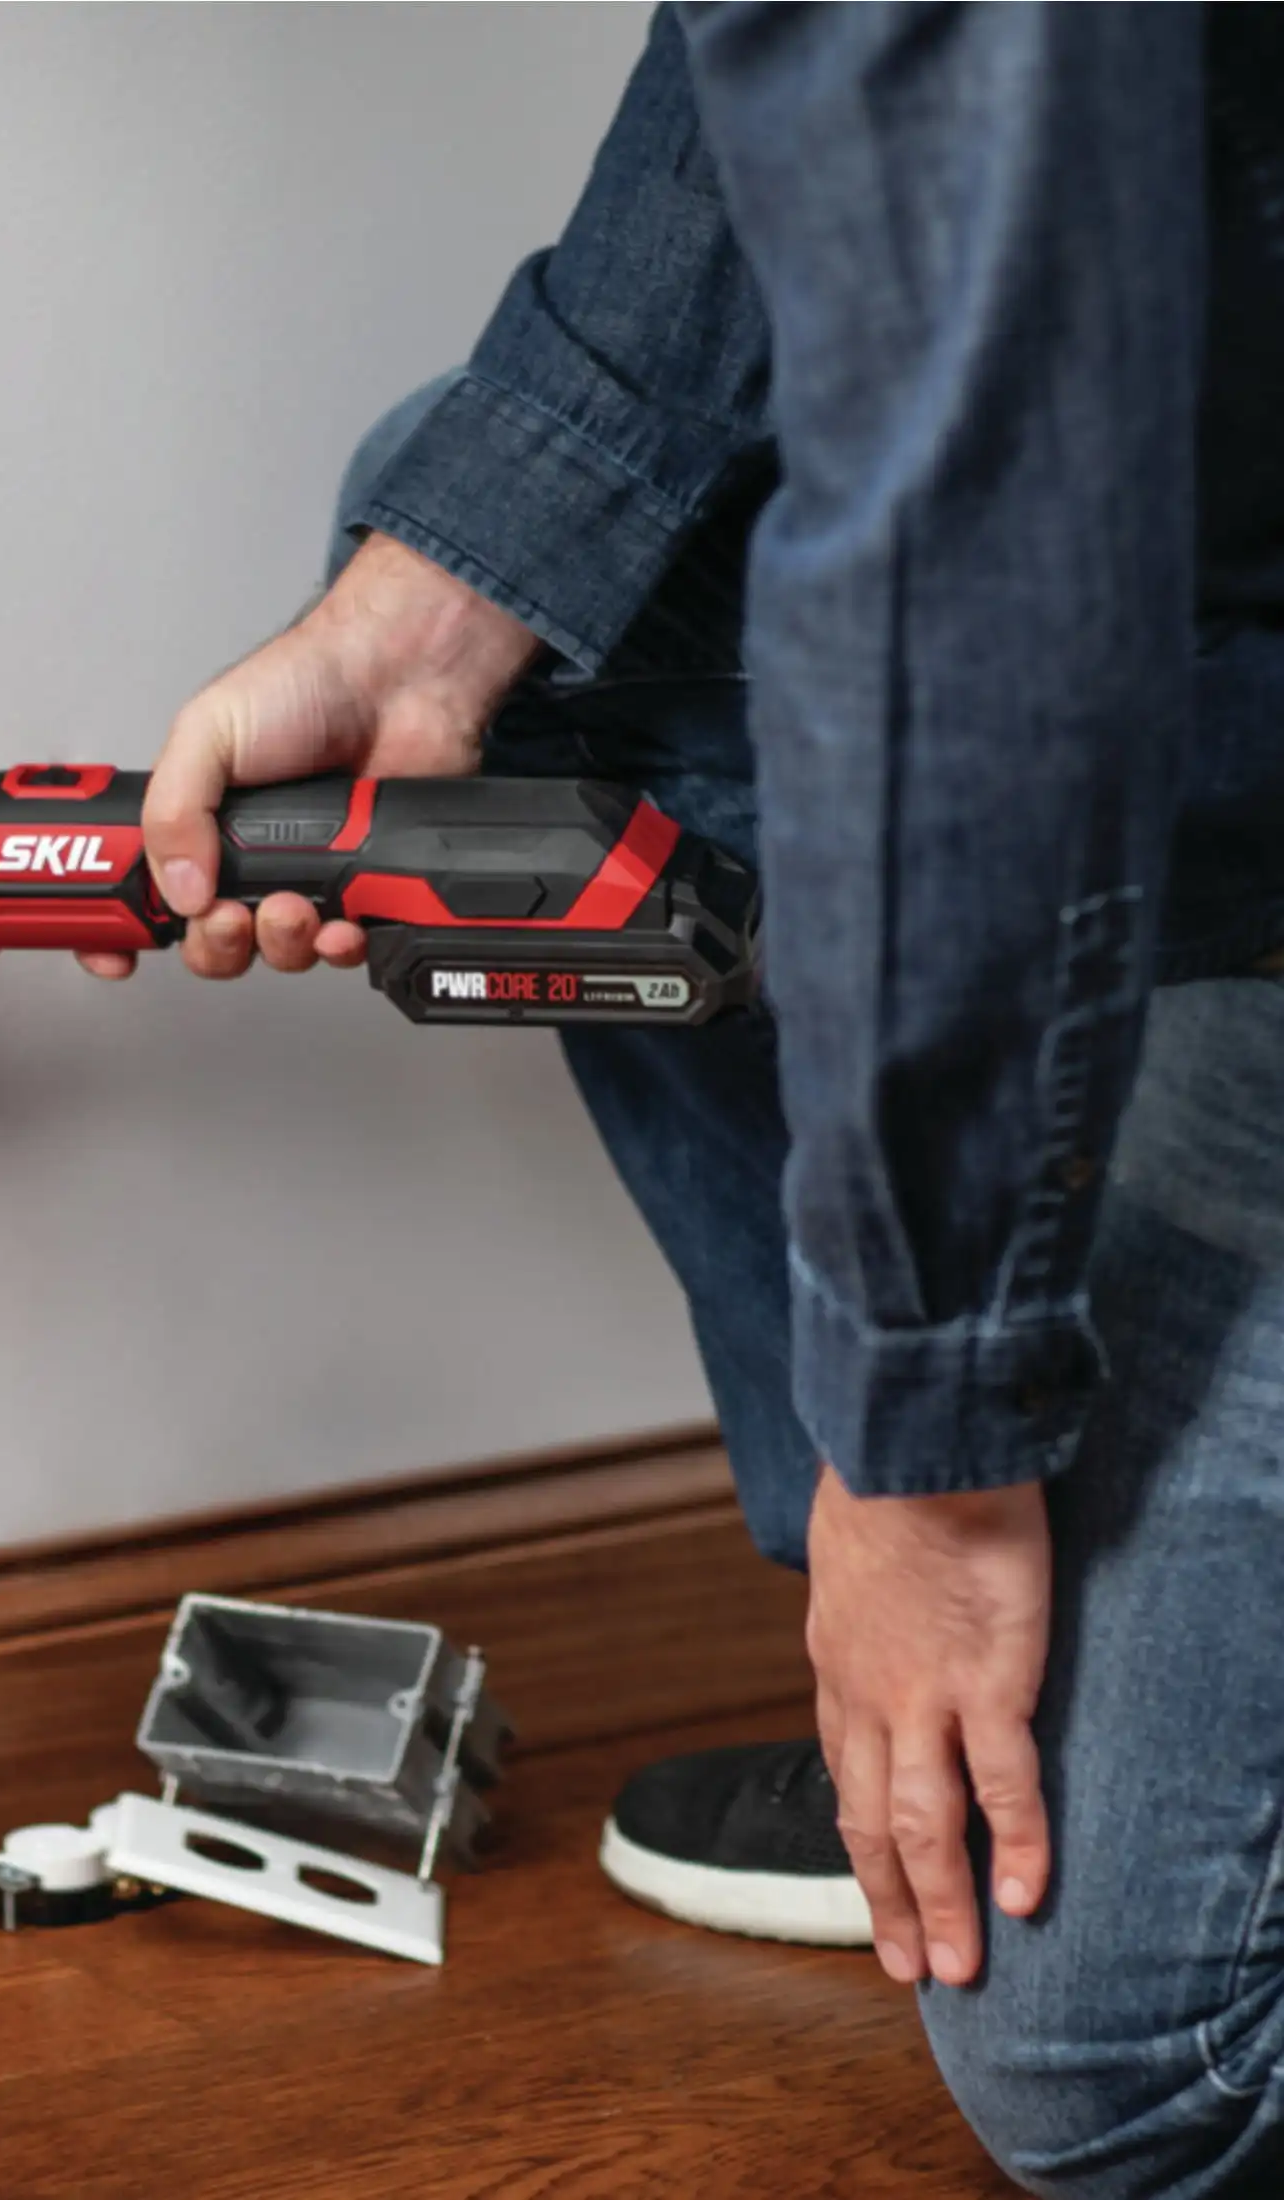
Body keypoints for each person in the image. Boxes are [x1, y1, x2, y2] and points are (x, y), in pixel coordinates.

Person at [82, 7, 1284, 2194]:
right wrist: (436, 606)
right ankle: (964, 1701)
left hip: (1119, 623)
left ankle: (1007, 1673)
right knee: (513, 613)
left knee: (1137, 2060)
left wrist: (931, 1462)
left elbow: (982, 578)